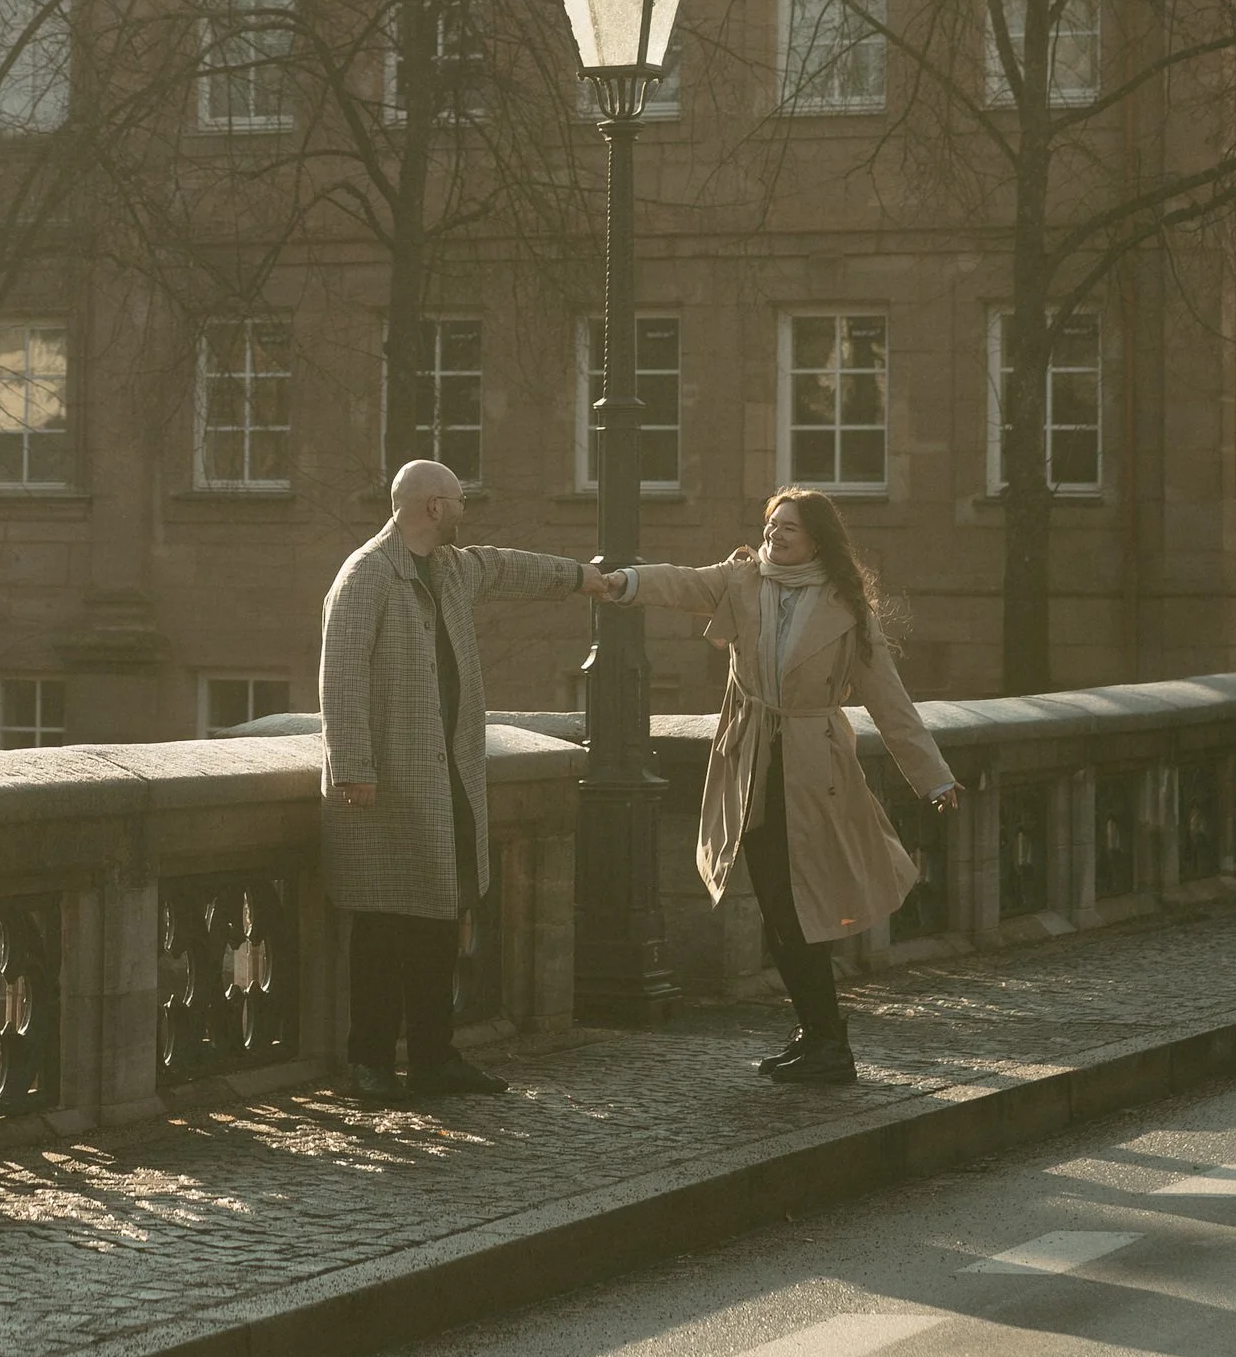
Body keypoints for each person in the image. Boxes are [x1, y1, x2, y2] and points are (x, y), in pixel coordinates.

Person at [592, 488, 958, 1086]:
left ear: (817, 539)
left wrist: (933, 776)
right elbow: (682, 583)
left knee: (802, 907)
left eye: (789, 527)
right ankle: (817, 1034)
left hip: (816, 773)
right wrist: (623, 582)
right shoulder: (743, 580)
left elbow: (889, 700)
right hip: (754, 765)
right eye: (771, 524)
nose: (775, 535)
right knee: (775, 906)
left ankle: (828, 1041)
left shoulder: (846, 606)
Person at [320, 460, 598, 1105]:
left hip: (445, 776)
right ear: (433, 507)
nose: (465, 511)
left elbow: (504, 567)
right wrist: (353, 769)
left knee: (440, 918)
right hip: (386, 783)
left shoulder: (447, 567)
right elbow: (340, 679)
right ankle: (368, 1064)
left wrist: (581, 579)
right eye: (459, 501)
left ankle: (434, 1059)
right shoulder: (366, 575)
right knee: (384, 925)